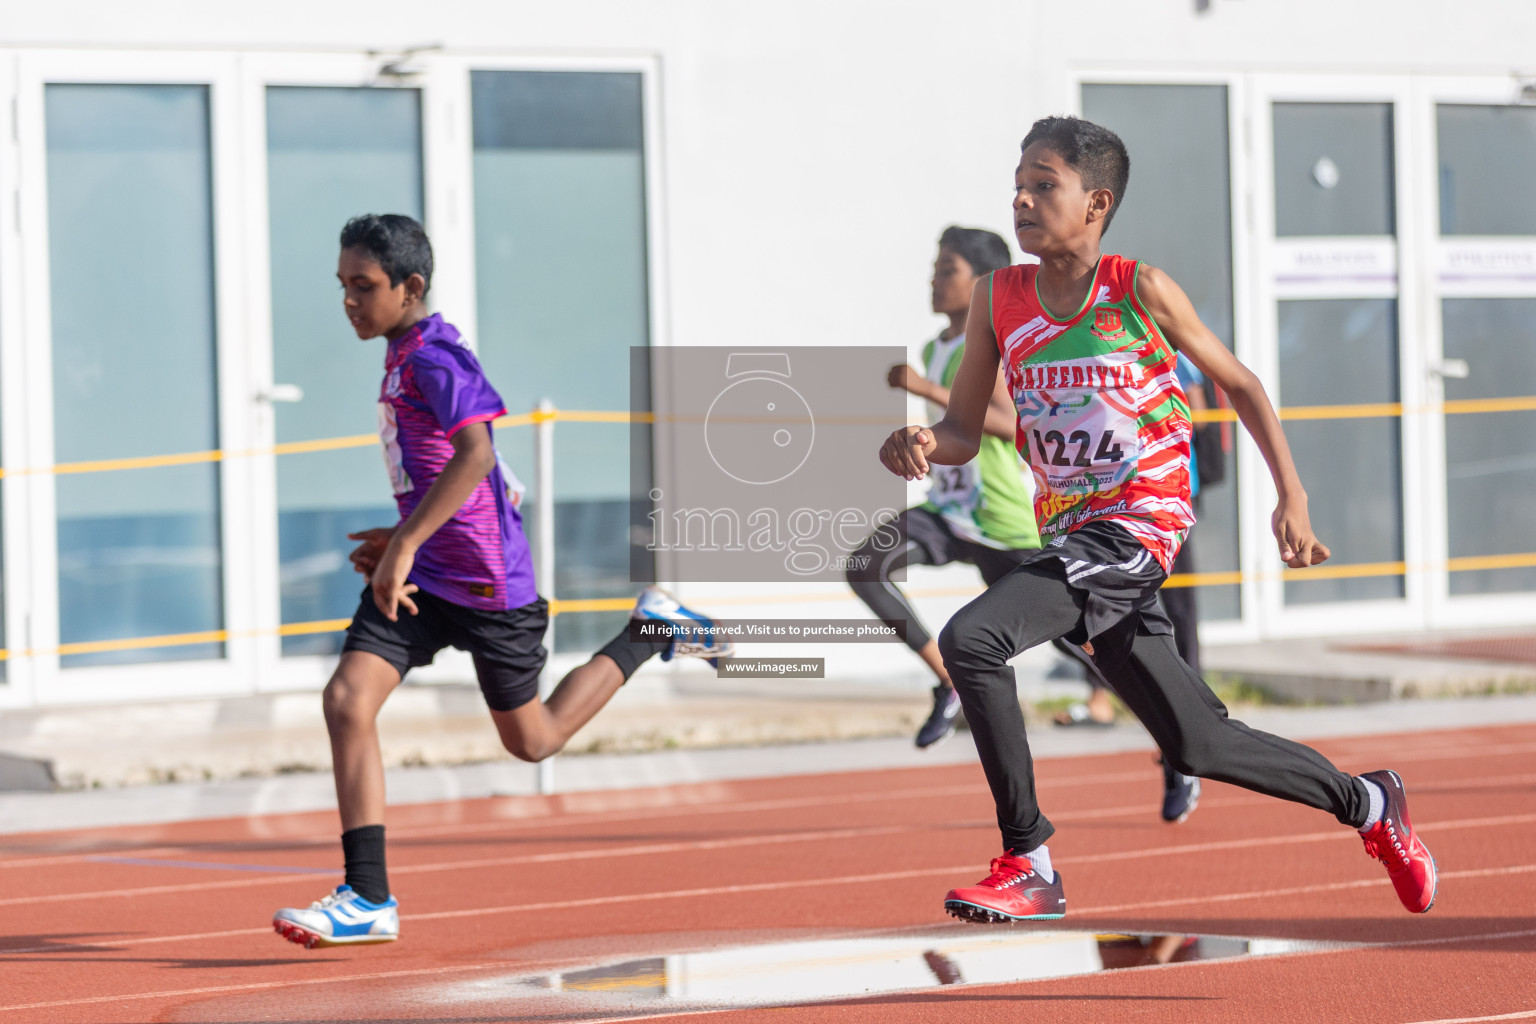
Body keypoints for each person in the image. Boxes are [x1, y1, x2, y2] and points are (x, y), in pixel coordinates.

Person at [878, 117, 1436, 922]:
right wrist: (928, 439)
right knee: (1197, 745)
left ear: (1096, 202)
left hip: (1140, 523)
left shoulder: (1136, 289)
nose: (1022, 199)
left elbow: (1240, 384)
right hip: (1071, 533)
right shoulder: (999, 300)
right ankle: (1371, 803)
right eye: (1019, 183)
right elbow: (967, 429)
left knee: (974, 638)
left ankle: (1027, 858)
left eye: (1044, 184)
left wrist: (1293, 494)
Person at [272, 214, 730, 948]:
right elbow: (469, 480)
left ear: (410, 286)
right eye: (342, 287)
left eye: (363, 287)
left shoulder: (435, 357)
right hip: (426, 579)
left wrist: (404, 545)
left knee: (534, 740)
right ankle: (367, 896)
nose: (349, 302)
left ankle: (651, 631)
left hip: (489, 589)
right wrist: (403, 543)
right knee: (347, 699)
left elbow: (479, 457)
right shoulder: (398, 355)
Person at [847, 226, 1043, 748]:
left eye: (947, 270)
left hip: (1001, 520)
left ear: (981, 282)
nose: (934, 280)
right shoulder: (936, 347)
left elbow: (1007, 421)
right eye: (935, 268)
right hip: (949, 511)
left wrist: (923, 389)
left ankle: (1172, 738)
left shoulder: (991, 345)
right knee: (866, 565)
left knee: (1081, 640)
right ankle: (949, 679)